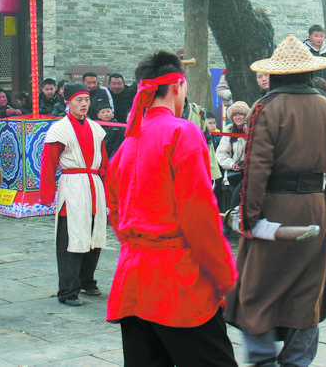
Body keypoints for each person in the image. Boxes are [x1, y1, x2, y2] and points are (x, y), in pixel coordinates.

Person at [103, 51, 238, 366]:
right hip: (178, 283)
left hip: (133, 279)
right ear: (178, 85)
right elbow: (200, 216)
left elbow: (113, 210)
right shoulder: (182, 132)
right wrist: (225, 275)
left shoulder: (127, 144)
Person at [225, 35, 326, 367]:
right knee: (306, 292)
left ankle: (263, 358)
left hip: (273, 209)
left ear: (277, 74)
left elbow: (256, 167)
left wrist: (249, 216)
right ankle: (296, 362)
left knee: (255, 289)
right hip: (314, 205)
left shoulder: (266, 107)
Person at [39, 84, 108, 307]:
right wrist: (47, 194)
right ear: (68, 102)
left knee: (93, 234)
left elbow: (104, 163)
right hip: (74, 185)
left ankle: (87, 280)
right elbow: (48, 164)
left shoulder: (97, 129)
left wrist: (108, 190)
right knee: (71, 238)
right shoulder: (59, 130)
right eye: (78, 100)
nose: (84, 104)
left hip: (94, 184)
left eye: (86, 99)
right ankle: (68, 290)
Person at [216, 101, 251, 214]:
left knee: (240, 191)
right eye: (235, 115)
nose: (238, 117)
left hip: (250, 174)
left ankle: (230, 218)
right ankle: (233, 218)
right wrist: (232, 164)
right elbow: (221, 155)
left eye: (241, 114)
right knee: (236, 192)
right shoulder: (228, 133)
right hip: (233, 175)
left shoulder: (254, 131)